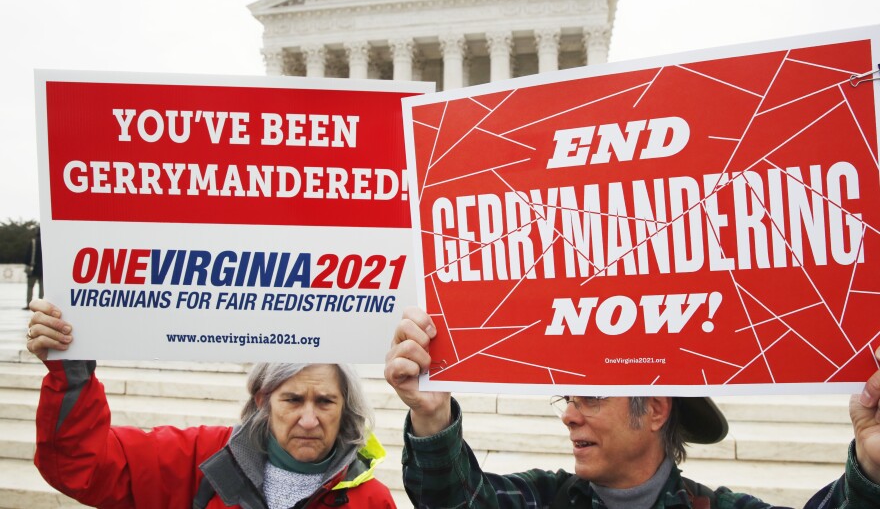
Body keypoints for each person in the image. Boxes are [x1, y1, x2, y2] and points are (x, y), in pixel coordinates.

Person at [384, 306, 880, 508]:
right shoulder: (543, 499)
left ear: (656, 410)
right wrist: (431, 415)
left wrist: (872, 468)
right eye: (569, 397)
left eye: (592, 398)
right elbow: (454, 500)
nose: (569, 414)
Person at [26, 299, 396, 509]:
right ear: (263, 400)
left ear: (345, 406)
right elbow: (82, 468)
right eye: (293, 400)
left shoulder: (371, 499)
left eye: (326, 401)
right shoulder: (200, 459)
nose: (310, 420)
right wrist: (72, 372)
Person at [23, 226, 43, 309]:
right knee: (42, 288)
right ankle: (41, 305)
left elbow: (28, 256)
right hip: (43, 270)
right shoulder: (46, 242)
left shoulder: (33, 241)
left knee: (30, 287)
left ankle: (29, 304)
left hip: (33, 268)